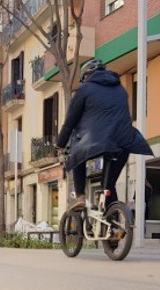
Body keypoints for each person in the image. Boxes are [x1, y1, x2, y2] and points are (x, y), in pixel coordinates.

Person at [56, 59, 153, 210]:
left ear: (86, 76)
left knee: (76, 155)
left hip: (97, 141)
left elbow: (70, 122)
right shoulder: (121, 89)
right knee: (108, 186)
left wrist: (60, 144)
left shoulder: (84, 90)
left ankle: (80, 196)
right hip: (125, 141)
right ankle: (115, 221)